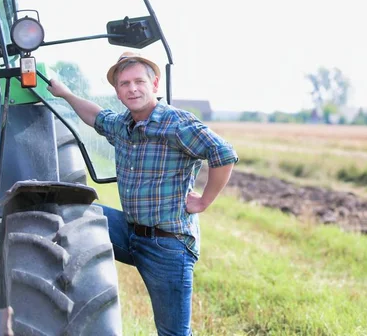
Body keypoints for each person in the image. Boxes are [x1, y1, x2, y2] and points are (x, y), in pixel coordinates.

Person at [47, 51, 238, 336]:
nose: (132, 88)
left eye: (139, 81)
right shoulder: (124, 125)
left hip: (167, 245)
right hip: (130, 232)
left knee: (172, 333)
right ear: (117, 91)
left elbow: (223, 153)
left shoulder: (176, 123)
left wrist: (204, 201)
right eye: (124, 84)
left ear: (155, 84)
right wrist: (65, 94)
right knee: (75, 212)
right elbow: (95, 116)